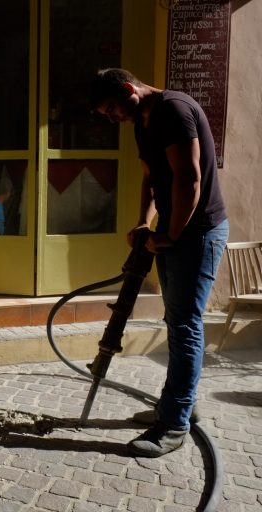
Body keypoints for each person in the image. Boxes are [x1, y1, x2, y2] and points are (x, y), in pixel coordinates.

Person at [90, 68, 229, 457]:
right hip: (173, 234)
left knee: (185, 324)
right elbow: (151, 178)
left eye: (113, 108)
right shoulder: (143, 121)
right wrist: (143, 222)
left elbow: (189, 178)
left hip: (198, 233)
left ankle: (173, 426)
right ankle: (179, 404)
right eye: (106, 114)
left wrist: (169, 235)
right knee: (178, 321)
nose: (113, 118)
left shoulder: (174, 110)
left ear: (130, 89)